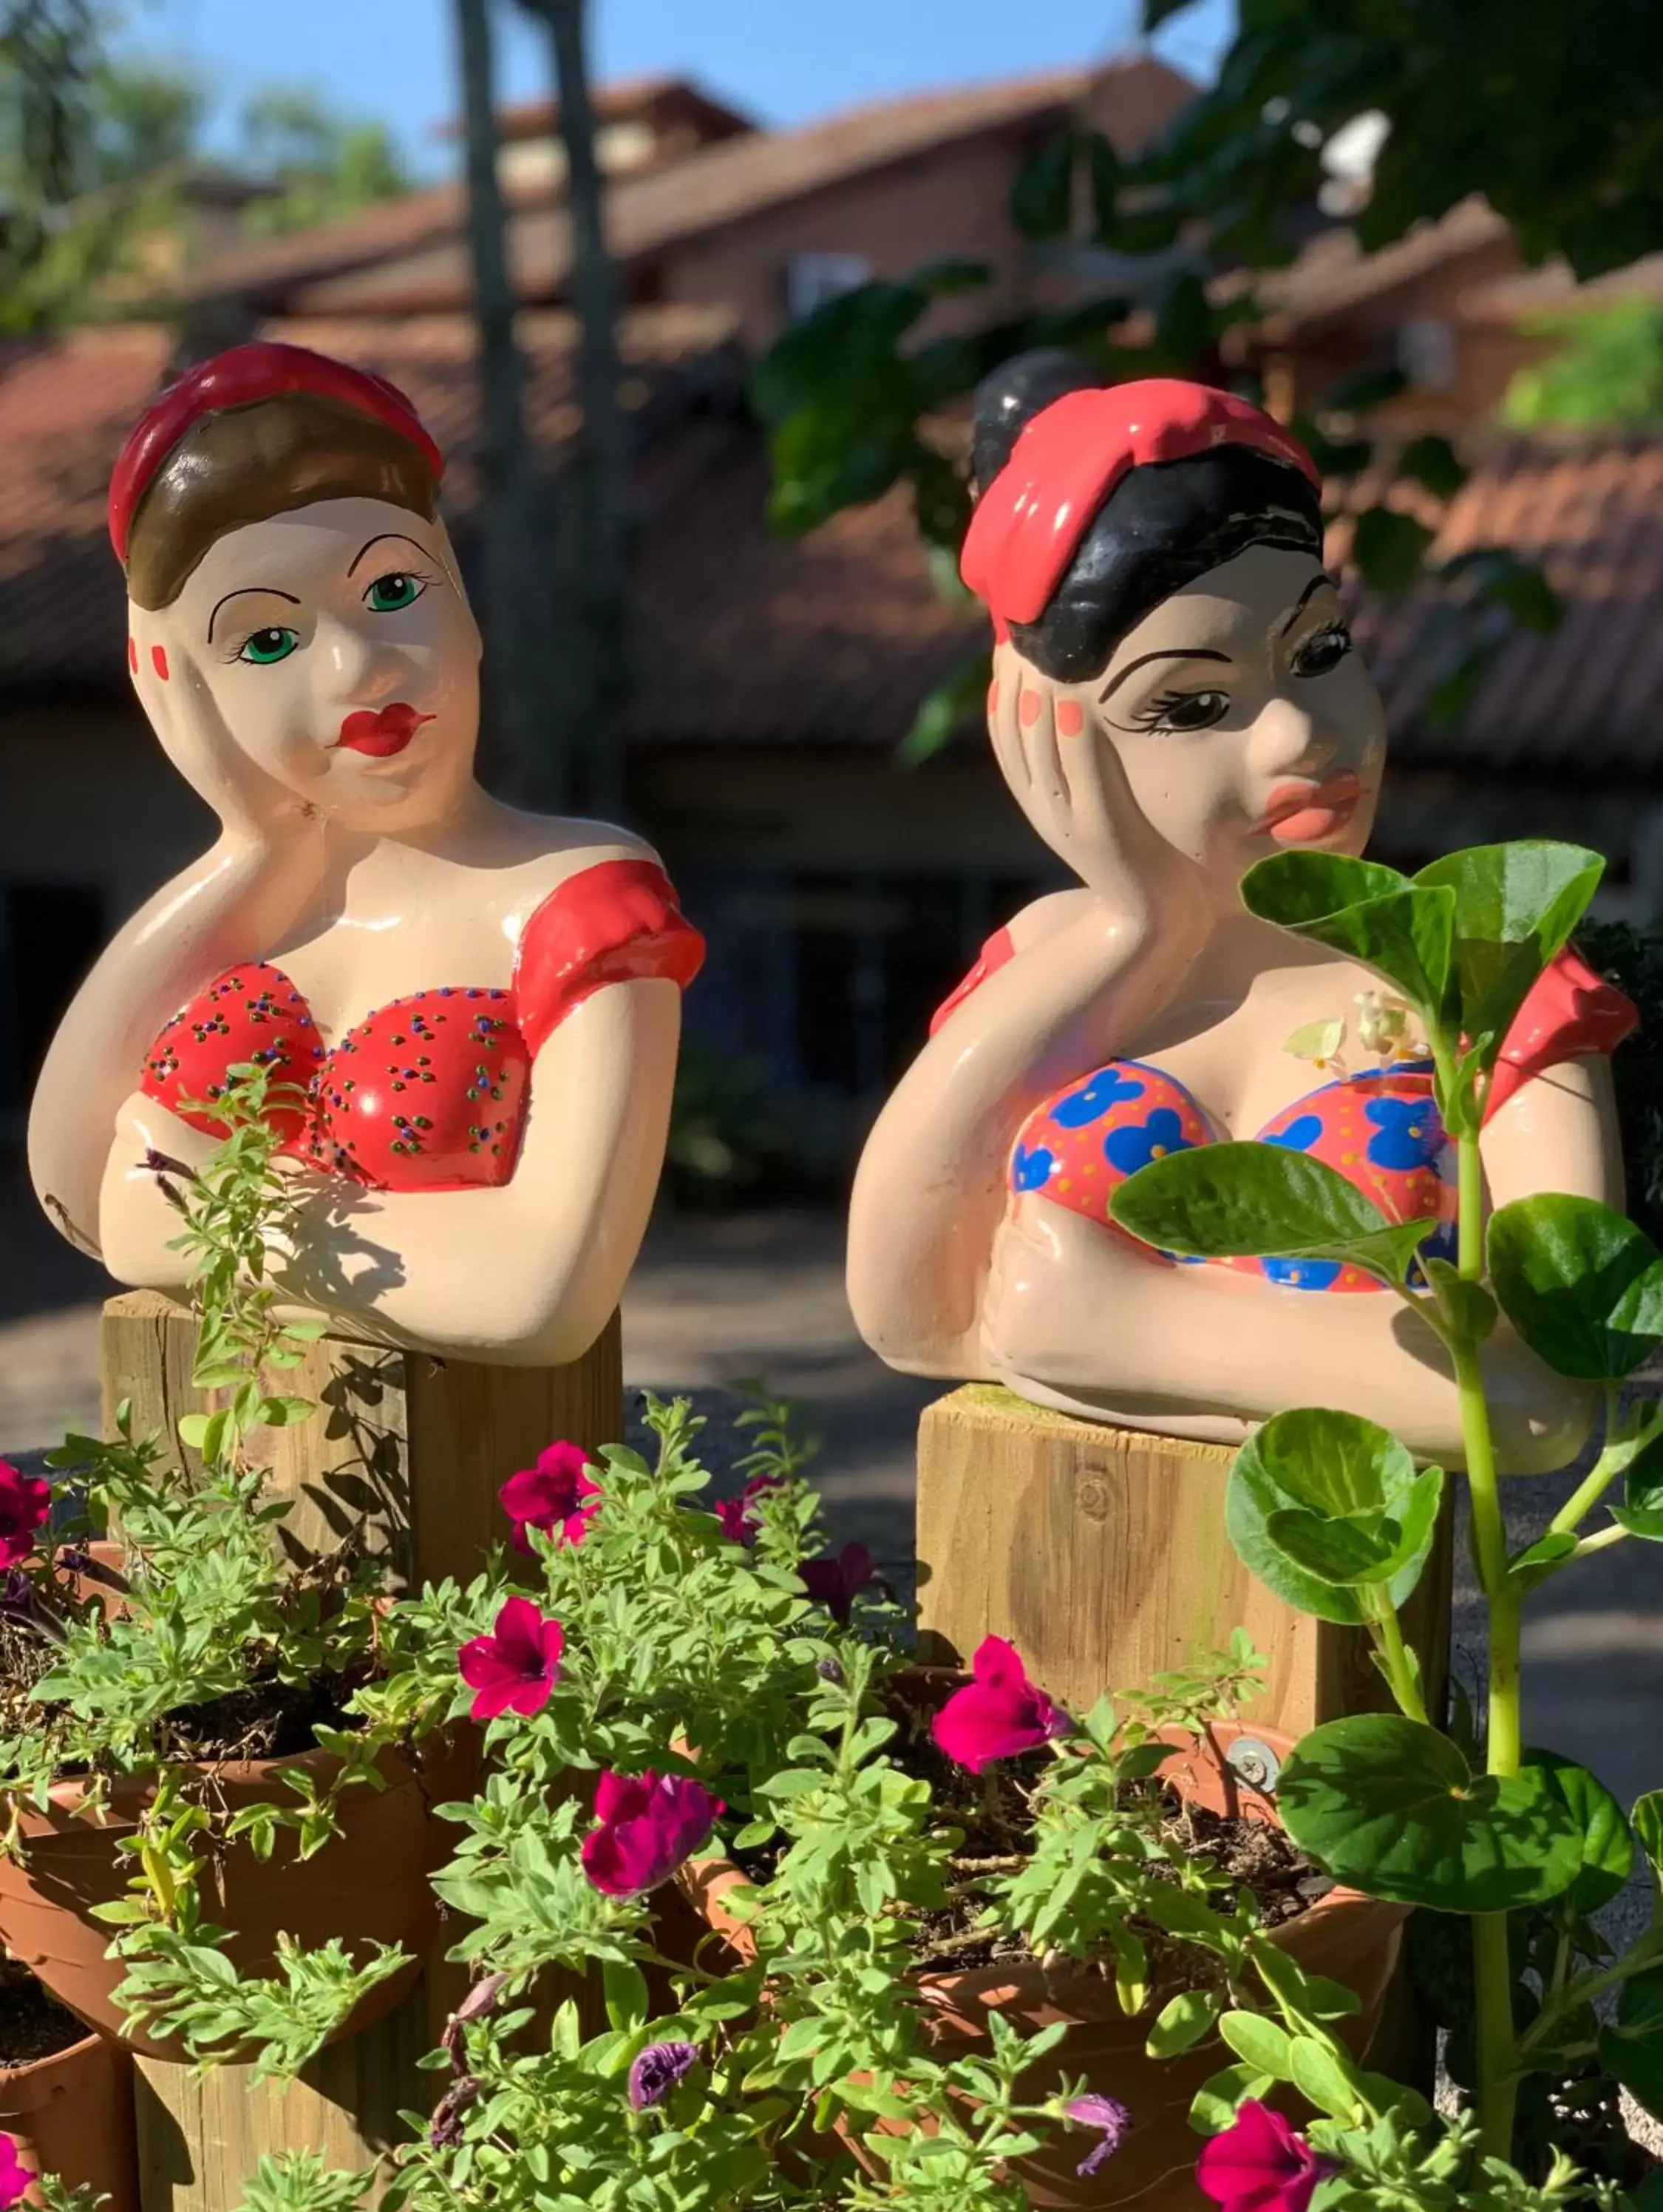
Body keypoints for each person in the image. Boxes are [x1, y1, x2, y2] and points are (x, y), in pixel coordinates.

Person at [846, 354, 1633, 1467]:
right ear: (1036, 727)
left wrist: (1129, 1332)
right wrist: (1136, 930)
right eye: (1189, 704)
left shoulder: (1489, 970)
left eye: (1317, 651)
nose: (1295, 737)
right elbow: (912, 1318)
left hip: (1353, 1620)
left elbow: (1539, 1401)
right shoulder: (1050, 960)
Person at [28, 341, 702, 1366]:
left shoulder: (577, 903)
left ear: (462, 600)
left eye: (393, 589)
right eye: (263, 642)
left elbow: (543, 1294)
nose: (360, 666)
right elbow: (82, 1202)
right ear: (176, 682)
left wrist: (199, 1218)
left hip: (476, 1486)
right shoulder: (271, 906)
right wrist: (250, 849)